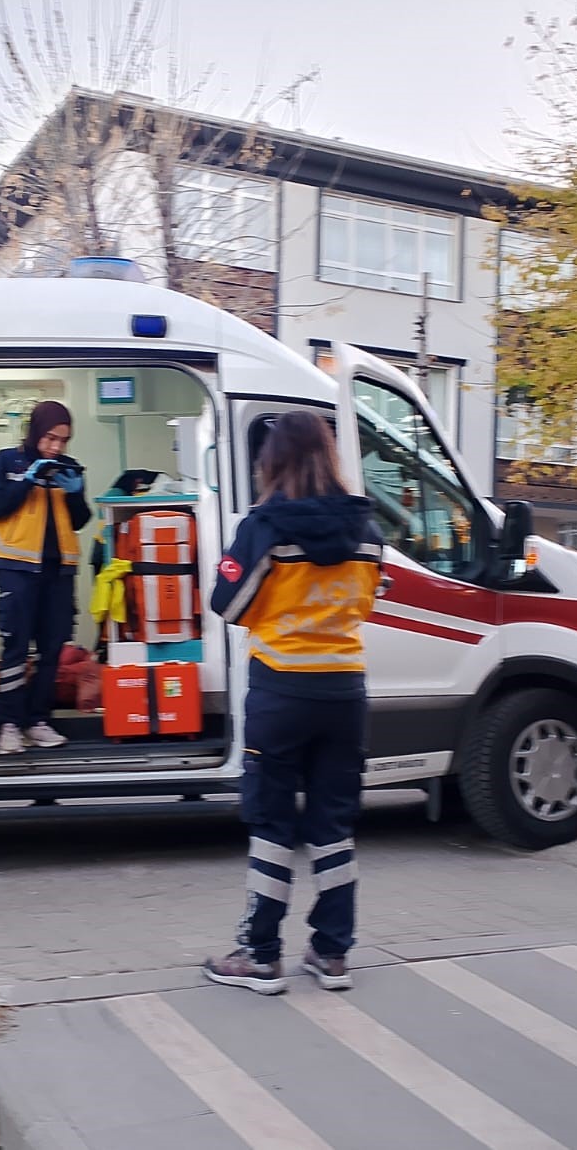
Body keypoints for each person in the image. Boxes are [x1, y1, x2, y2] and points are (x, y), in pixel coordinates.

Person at [203, 412, 384, 994]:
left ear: (272, 460)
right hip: (344, 691)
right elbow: (366, 605)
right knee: (333, 823)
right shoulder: (367, 529)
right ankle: (332, 954)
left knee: (272, 823)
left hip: (281, 690)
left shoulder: (265, 526)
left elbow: (228, 606)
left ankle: (260, 955)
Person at [0, 401, 90, 755]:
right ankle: (9, 725)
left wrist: (75, 493)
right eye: (50, 438)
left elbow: (78, 519)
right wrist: (27, 482)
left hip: (58, 573)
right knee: (16, 648)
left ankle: (38, 720)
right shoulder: (7, 461)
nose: (56, 447)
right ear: (34, 432)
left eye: (64, 440)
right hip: (18, 570)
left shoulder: (68, 466)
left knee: (52, 651)